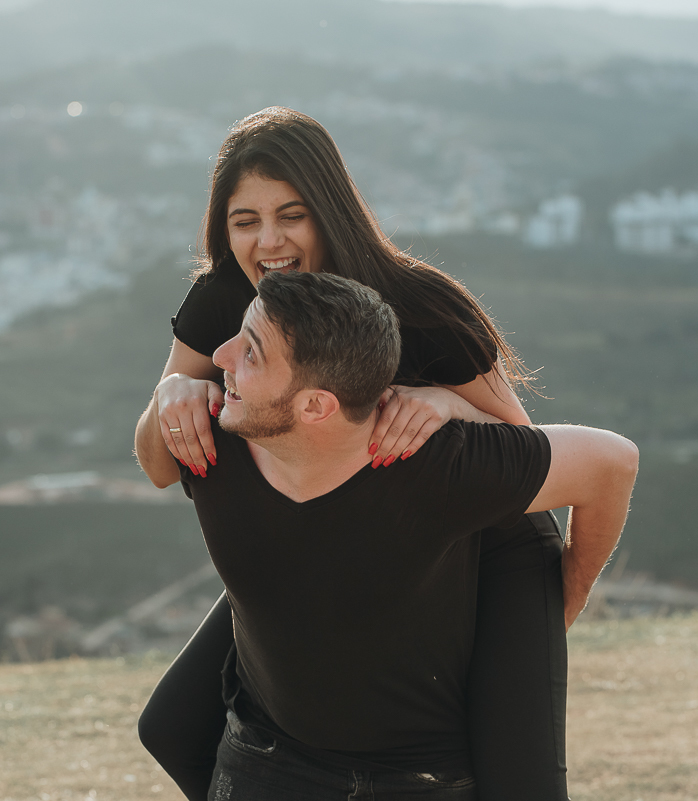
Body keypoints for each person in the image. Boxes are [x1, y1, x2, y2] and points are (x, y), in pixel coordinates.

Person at [135, 107, 580, 800]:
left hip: (483, 549)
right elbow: (163, 464)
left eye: (291, 214)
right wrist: (168, 392)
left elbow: (524, 448)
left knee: (518, 786)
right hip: (330, 539)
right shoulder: (227, 298)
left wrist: (448, 403)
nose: (269, 242)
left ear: (330, 210)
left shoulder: (420, 304)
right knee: (171, 726)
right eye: (244, 221)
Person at [151, 270, 637, 799]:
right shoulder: (212, 437)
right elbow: (156, 454)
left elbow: (612, 462)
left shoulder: (434, 467)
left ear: (316, 405)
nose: (219, 357)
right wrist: (168, 391)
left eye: (251, 352)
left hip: (420, 778)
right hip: (267, 756)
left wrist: (572, 589)